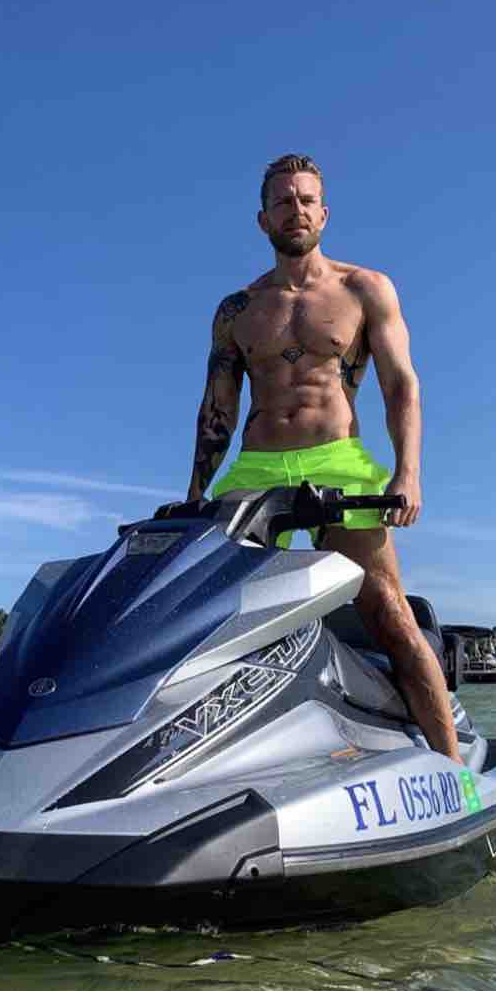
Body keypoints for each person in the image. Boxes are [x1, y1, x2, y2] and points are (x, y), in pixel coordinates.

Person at [186, 153, 461, 762]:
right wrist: (195, 494)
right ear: (263, 219)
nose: (297, 210)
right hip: (258, 466)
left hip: (338, 460)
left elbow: (401, 385)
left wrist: (408, 472)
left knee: (388, 614)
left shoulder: (365, 289)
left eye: (306, 199)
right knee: (212, 616)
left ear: (325, 213)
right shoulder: (236, 310)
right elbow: (217, 407)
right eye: (283, 201)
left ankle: (456, 773)